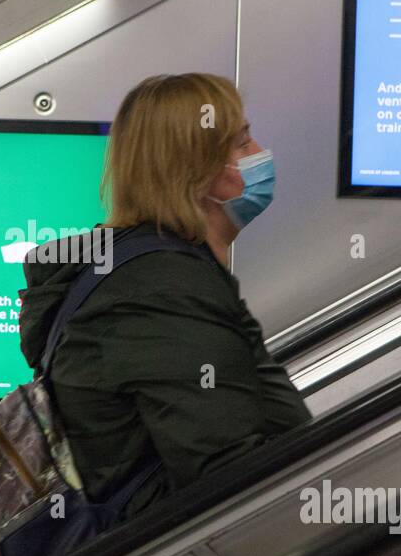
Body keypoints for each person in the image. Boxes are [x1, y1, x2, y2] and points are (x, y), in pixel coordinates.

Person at [18, 73, 312, 520]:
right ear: (197, 173)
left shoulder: (155, 268)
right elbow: (227, 474)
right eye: (243, 143)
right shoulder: (162, 288)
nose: (260, 156)